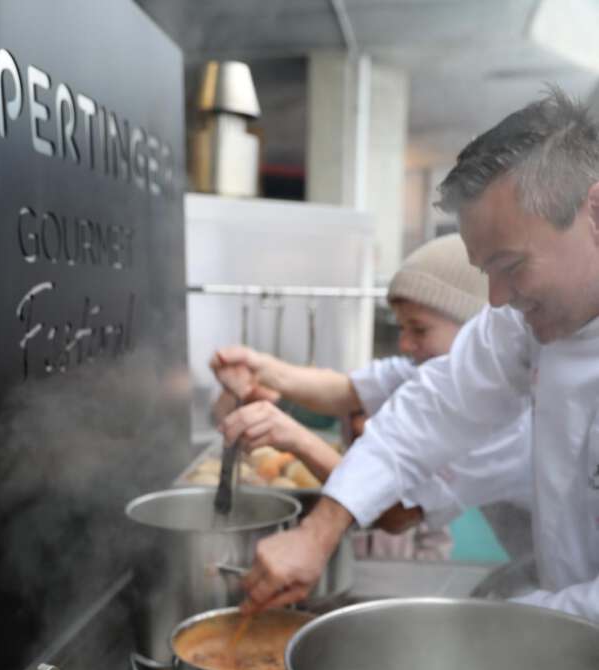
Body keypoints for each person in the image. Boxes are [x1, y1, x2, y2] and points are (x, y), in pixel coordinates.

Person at [237, 86, 599, 620]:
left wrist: (512, 627)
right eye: (486, 272)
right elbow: (429, 410)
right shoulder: (522, 322)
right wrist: (318, 533)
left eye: (512, 265)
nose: (496, 299)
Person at [212, 233, 531, 561]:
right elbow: (345, 390)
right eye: (402, 329)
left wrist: (298, 439)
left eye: (419, 330)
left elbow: (395, 512)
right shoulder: (430, 370)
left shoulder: (507, 420)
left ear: (477, 332)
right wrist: (261, 368)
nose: (405, 344)